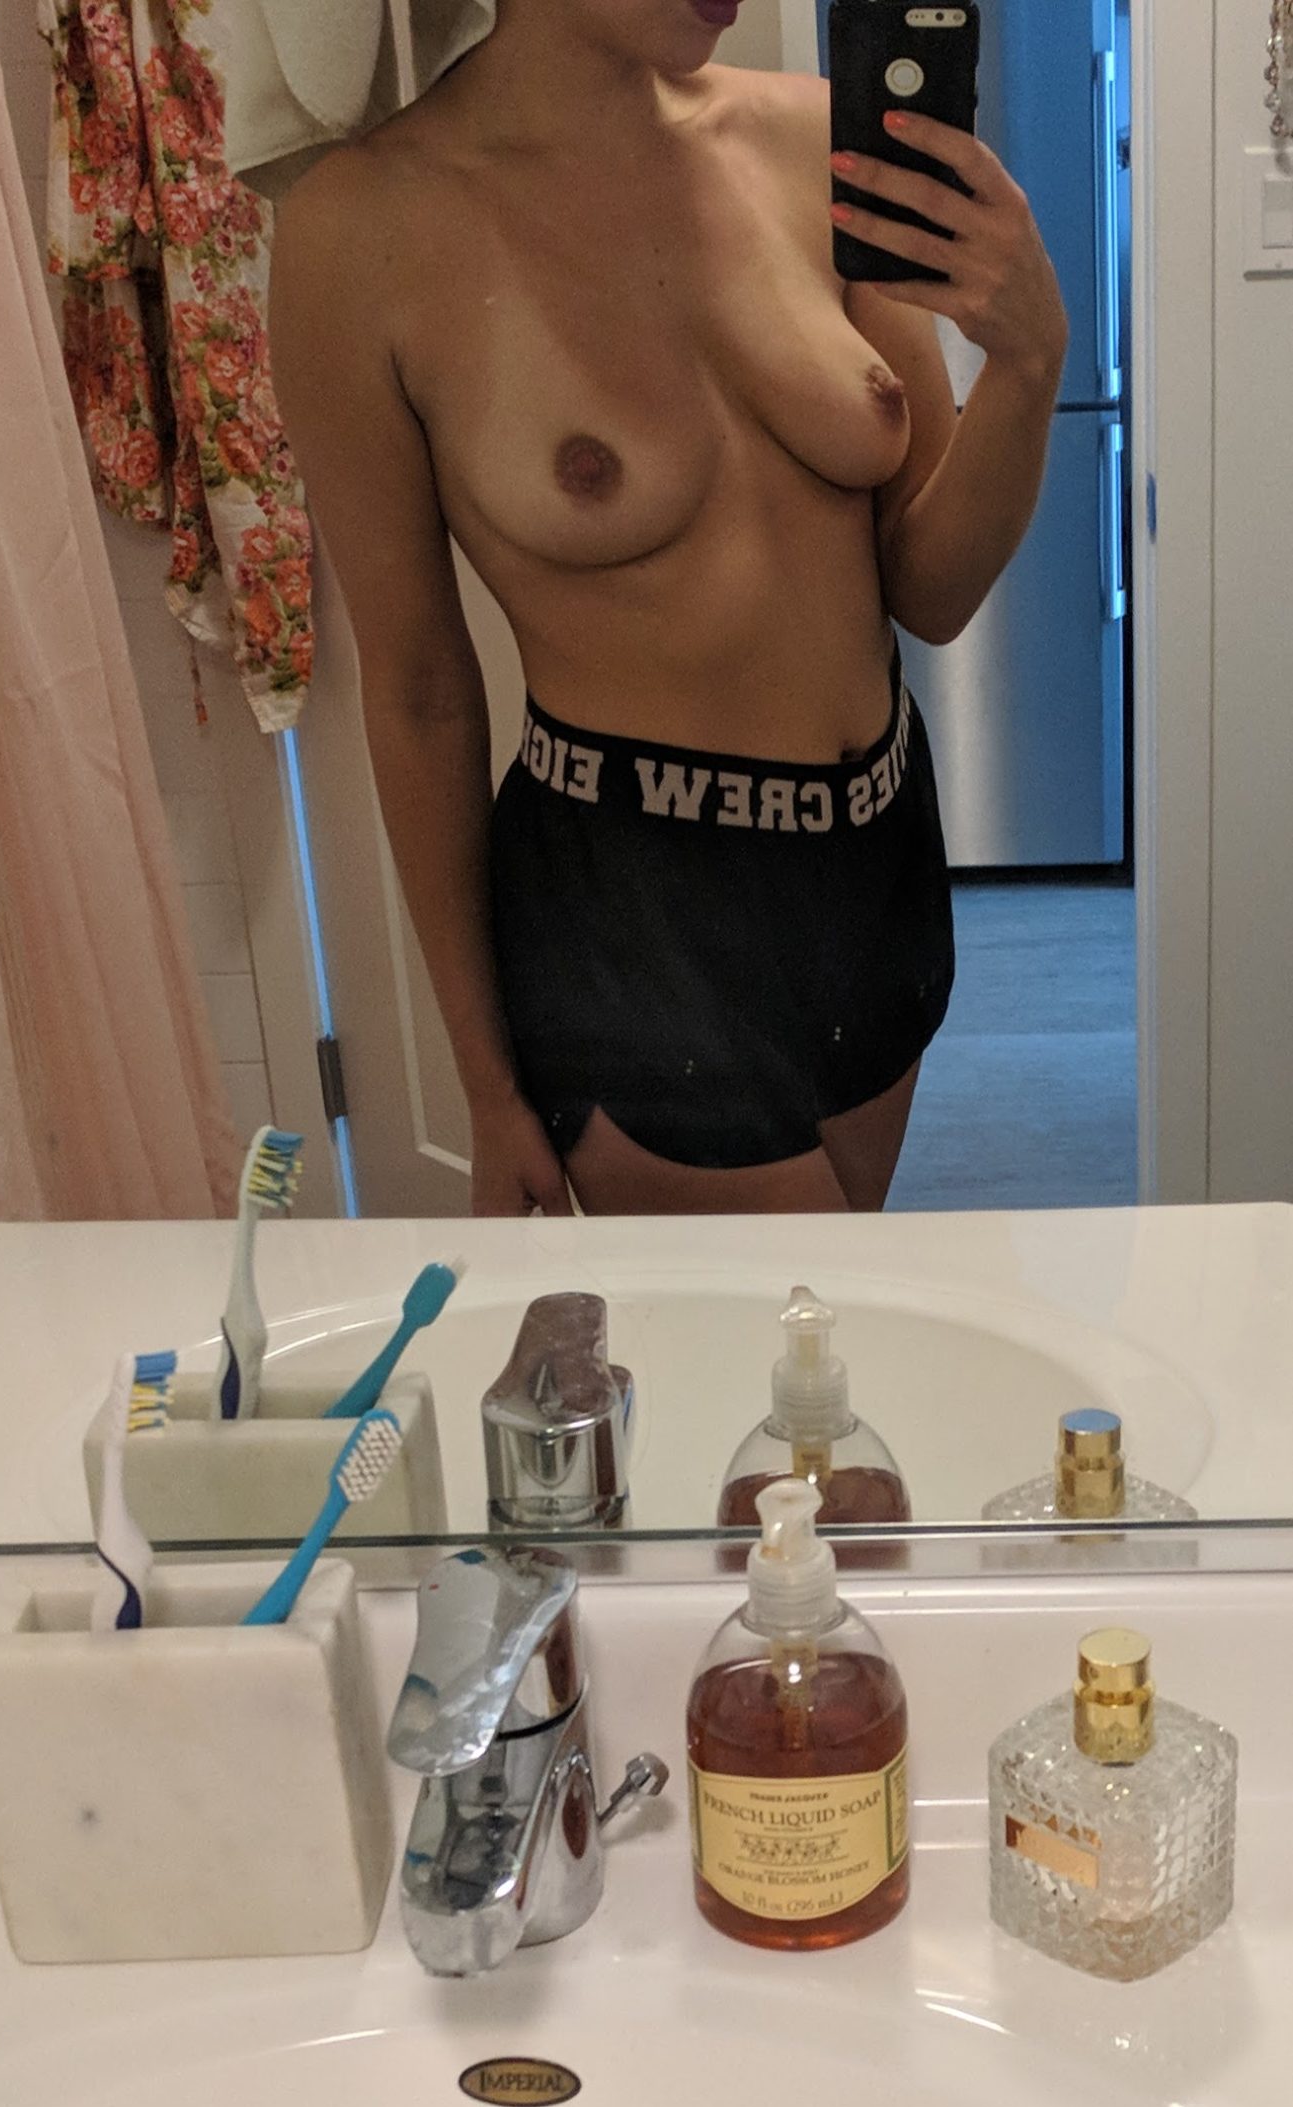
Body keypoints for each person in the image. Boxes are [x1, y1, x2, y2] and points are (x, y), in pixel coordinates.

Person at [269, 0, 1067, 1217]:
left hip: (881, 869)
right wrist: (487, 1086)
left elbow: (933, 590)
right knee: (805, 1316)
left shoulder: (824, 146)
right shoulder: (361, 233)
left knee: (820, 1326)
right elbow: (422, 691)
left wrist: (1030, 360)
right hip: (634, 923)